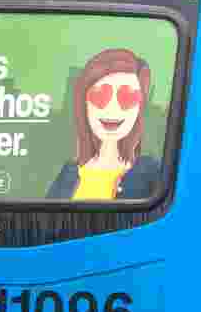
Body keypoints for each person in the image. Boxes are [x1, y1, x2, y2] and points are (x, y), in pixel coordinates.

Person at [47, 48, 161, 200]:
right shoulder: (68, 173)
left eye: (127, 98)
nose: (113, 109)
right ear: (84, 103)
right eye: (100, 96)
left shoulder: (150, 171)